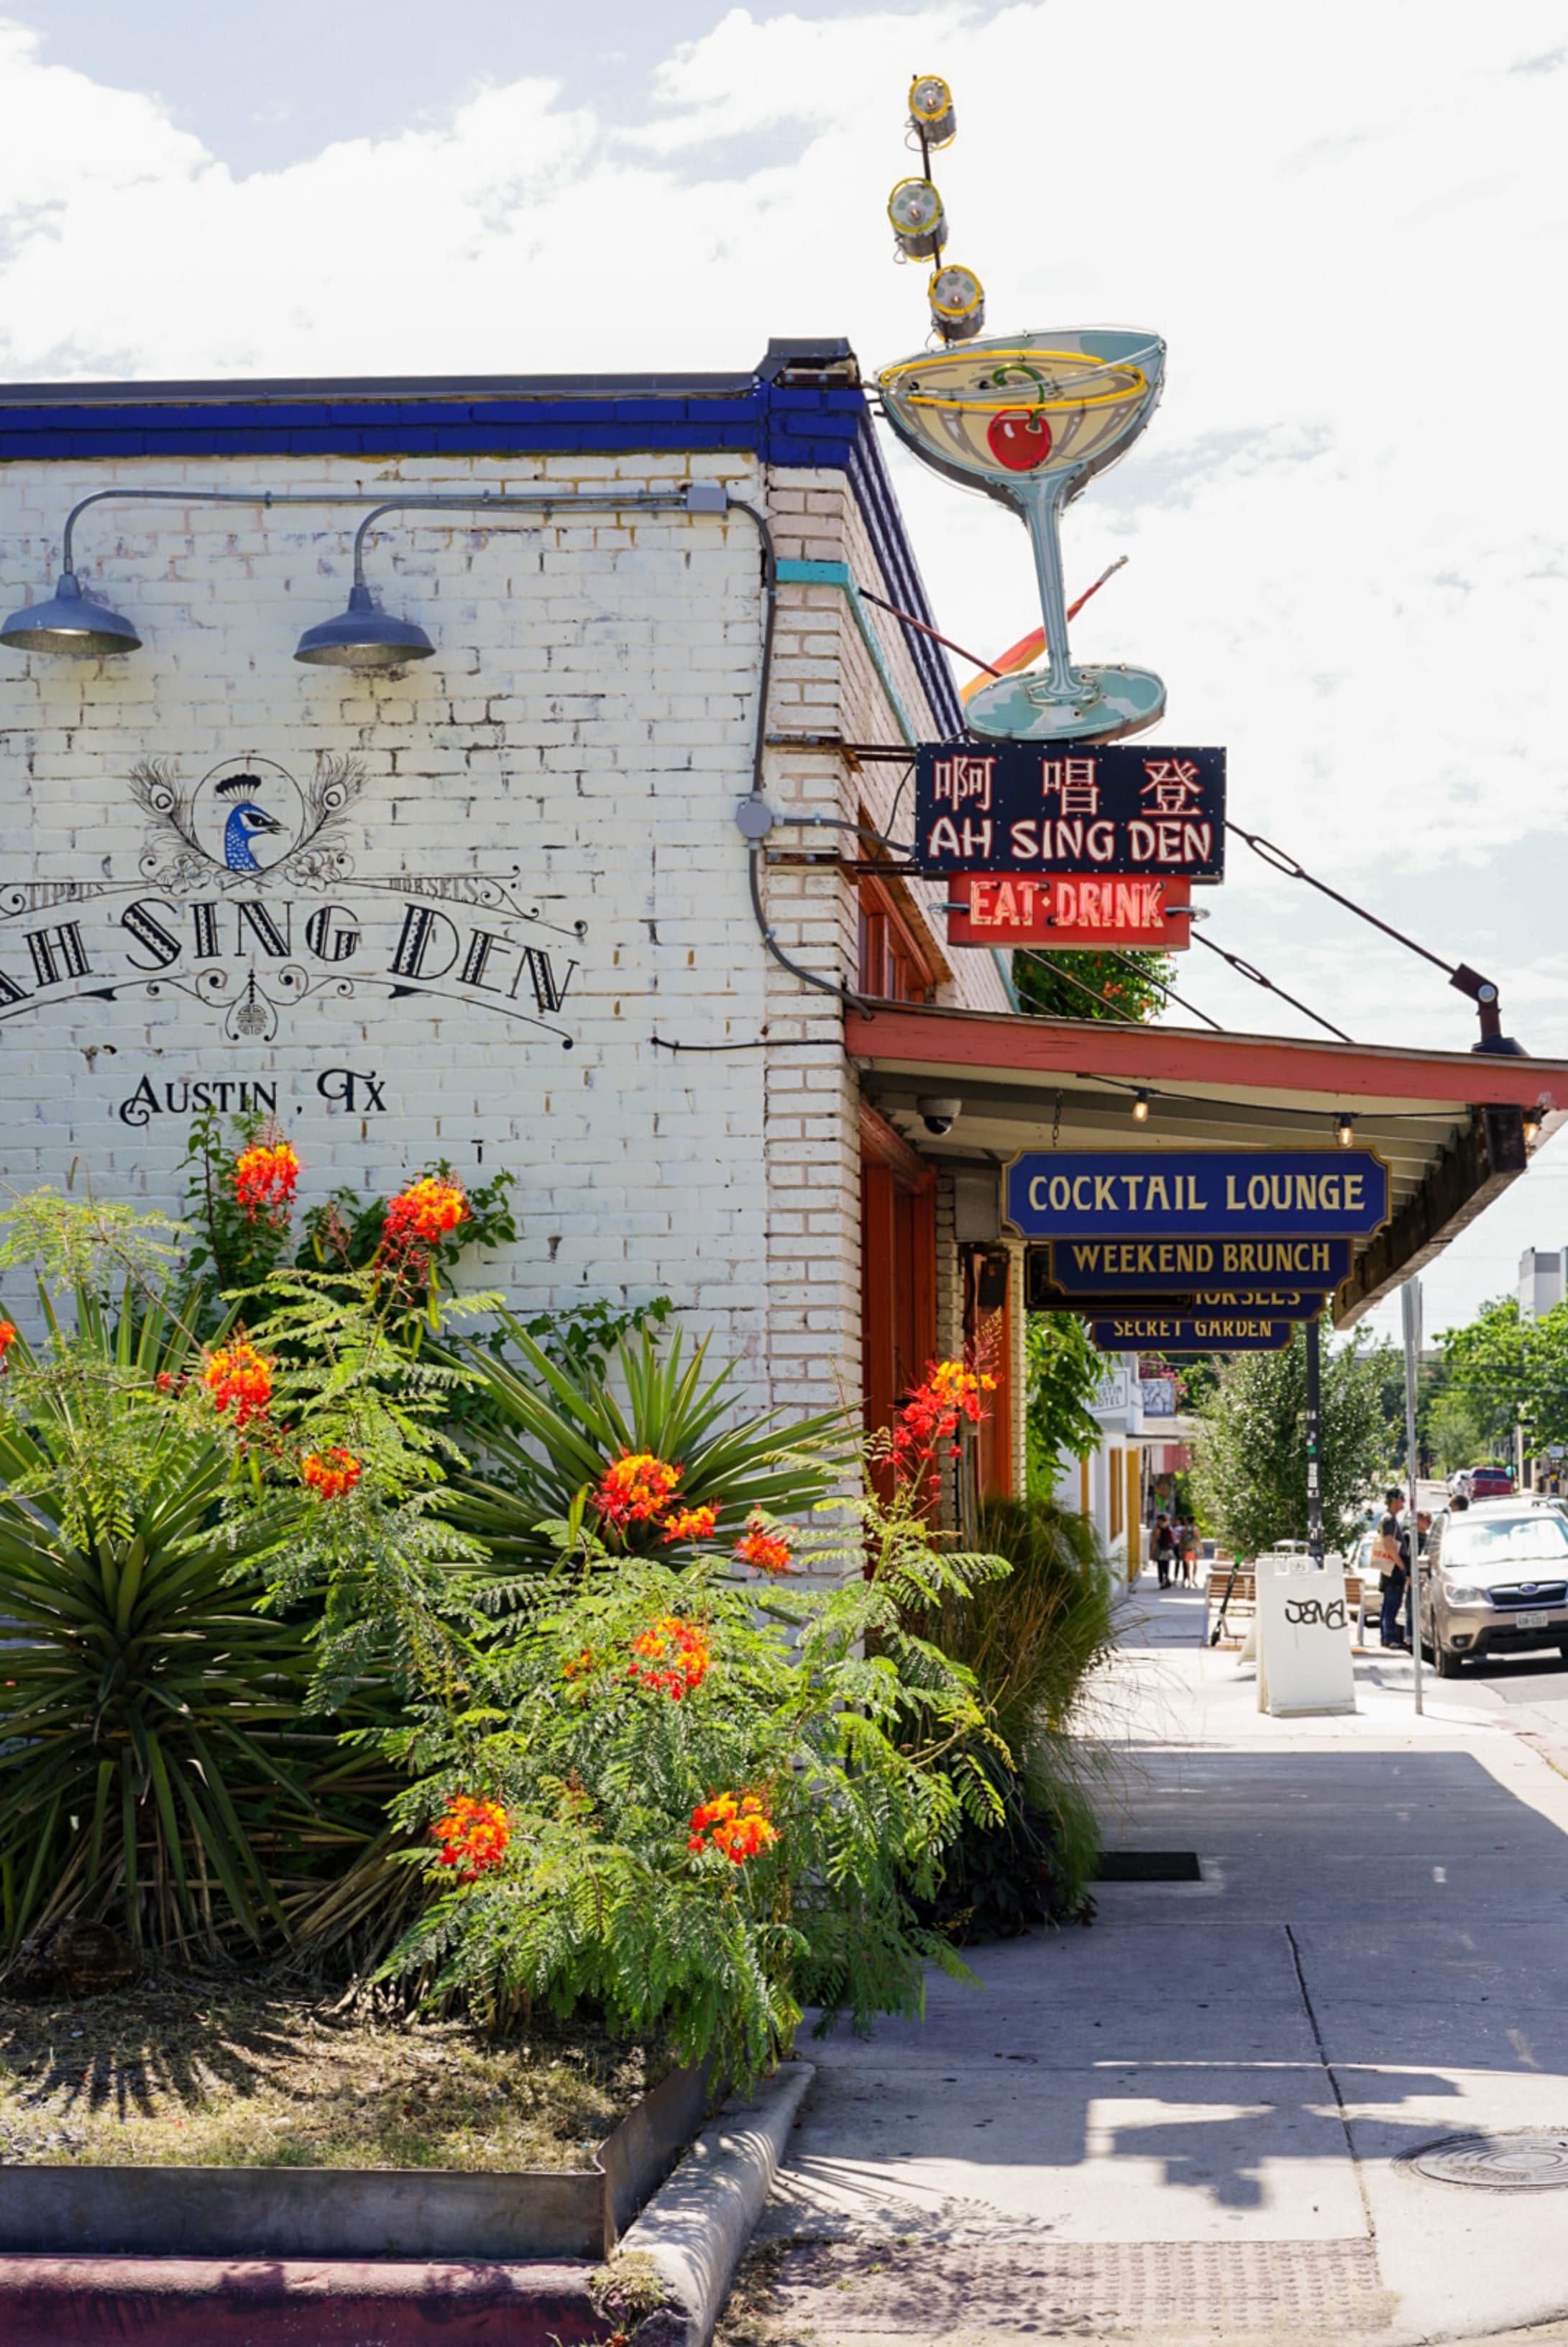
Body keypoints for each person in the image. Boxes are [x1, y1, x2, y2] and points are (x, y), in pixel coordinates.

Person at [1375, 1488, 1408, 1650]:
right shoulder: (1388, 1519)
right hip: (1393, 1569)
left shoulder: (1390, 1519)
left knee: (1389, 1604)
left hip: (1391, 1569)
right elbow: (1388, 1543)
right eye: (1402, 1498)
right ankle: (1389, 1638)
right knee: (1392, 1604)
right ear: (1394, 1500)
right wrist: (1401, 1565)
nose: (1404, 1502)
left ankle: (1387, 1636)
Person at [1152, 1514, 1175, 1588]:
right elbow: (1174, 1539)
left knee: (1160, 1566)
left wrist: (1152, 1551)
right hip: (1168, 1549)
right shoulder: (1170, 1528)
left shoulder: (1158, 1529)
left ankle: (1162, 1582)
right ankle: (1167, 1580)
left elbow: (1155, 1540)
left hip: (1161, 1549)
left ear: (1160, 1520)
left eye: (1158, 1520)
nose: (1157, 1522)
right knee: (1167, 1566)